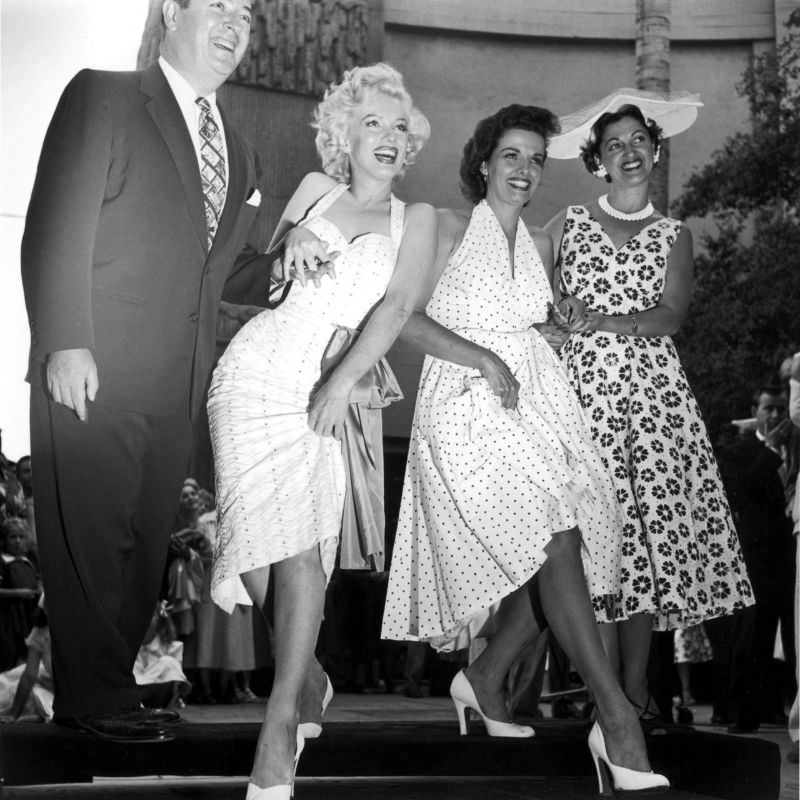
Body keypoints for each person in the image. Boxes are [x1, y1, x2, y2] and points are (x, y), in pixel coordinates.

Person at [381, 104, 667, 795]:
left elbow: (532, 326)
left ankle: (481, 680)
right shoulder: (444, 226)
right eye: (512, 155)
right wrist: (483, 358)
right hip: (464, 407)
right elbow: (403, 318)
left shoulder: (541, 243)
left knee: (566, 542)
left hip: (535, 404)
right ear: (484, 162)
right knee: (557, 541)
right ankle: (617, 719)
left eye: (538, 159)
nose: (526, 170)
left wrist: (556, 326)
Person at [20, 0, 264, 743]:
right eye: (217, 5)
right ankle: (91, 701)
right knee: (89, 538)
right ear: (172, 14)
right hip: (93, 365)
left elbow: (223, 273)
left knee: (141, 547)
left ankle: (110, 690)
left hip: (177, 380)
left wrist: (288, 265)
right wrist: (65, 340)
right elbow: (57, 220)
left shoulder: (242, 147)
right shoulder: (106, 95)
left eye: (247, 13)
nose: (234, 23)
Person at [208, 63, 436, 799]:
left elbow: (397, 308)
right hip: (253, 371)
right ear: (344, 134)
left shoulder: (417, 219)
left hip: (325, 385)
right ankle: (308, 674)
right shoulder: (315, 189)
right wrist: (288, 253)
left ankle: (279, 728)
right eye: (373, 123)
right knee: (250, 543)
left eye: (400, 127)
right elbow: (255, 279)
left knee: (303, 550)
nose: (390, 138)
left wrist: (340, 385)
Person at [544, 90, 754, 728]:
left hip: (654, 403)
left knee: (640, 545)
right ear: (598, 160)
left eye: (639, 141)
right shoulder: (567, 223)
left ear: (655, 149)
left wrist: (602, 318)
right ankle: (607, 694)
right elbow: (535, 291)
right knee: (589, 546)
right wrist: (556, 317)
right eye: (615, 145)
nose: (628, 152)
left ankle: (634, 692)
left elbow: (670, 316)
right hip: (581, 398)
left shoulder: (674, 234)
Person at [714, 384, 795, 732]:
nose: (776, 415)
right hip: (758, 556)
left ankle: (781, 705)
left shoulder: (798, 446)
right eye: (769, 408)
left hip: (791, 552)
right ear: (755, 411)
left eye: (781, 408)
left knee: (791, 636)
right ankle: (743, 713)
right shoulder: (738, 451)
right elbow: (746, 485)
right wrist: (773, 449)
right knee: (754, 635)